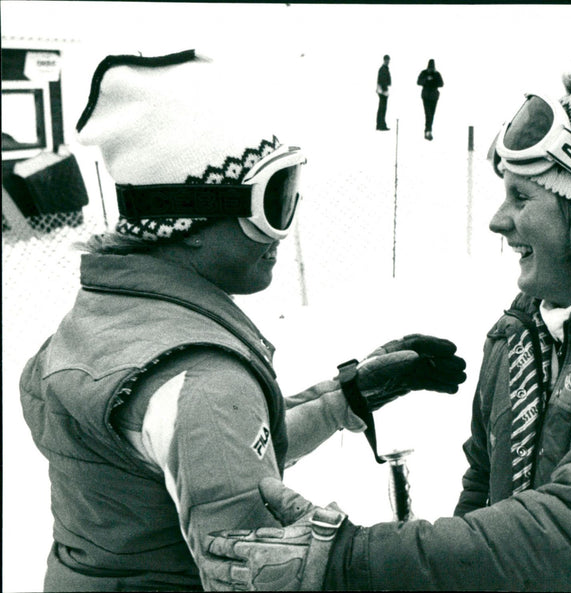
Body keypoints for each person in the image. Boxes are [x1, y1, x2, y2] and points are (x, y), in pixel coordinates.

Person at [200, 61, 571, 591]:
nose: (498, 221)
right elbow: (482, 503)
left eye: (521, 197)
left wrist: (352, 560)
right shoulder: (518, 339)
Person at [18, 49, 466, 592]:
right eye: (273, 202)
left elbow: (217, 453)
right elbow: (254, 575)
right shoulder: (201, 379)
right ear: (192, 220)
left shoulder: (105, 316)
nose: (282, 232)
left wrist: (341, 400)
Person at [416, 58, 444, 140]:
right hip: (427, 96)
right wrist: (426, 80)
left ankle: (428, 130)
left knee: (431, 114)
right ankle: (428, 130)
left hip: (433, 96)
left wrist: (433, 81)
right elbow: (418, 82)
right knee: (428, 114)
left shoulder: (436, 74)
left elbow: (441, 84)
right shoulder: (424, 73)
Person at [376, 54, 391, 131]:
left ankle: (380, 124)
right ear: (384, 60)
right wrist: (385, 90)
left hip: (382, 91)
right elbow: (382, 80)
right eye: (387, 60)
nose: (388, 61)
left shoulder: (383, 69)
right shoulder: (383, 69)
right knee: (382, 108)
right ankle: (381, 125)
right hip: (383, 91)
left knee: (381, 108)